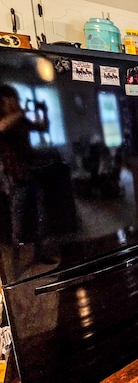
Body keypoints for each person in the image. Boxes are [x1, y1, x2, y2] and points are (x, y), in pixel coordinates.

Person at [0, 84, 53, 265]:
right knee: (17, 225)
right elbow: (2, 126)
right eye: (14, 98)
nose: (17, 101)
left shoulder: (21, 120)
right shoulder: (7, 118)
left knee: (41, 218)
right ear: (6, 100)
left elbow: (43, 127)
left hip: (31, 175)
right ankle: (16, 263)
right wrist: (22, 111)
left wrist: (43, 112)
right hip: (15, 180)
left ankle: (40, 255)